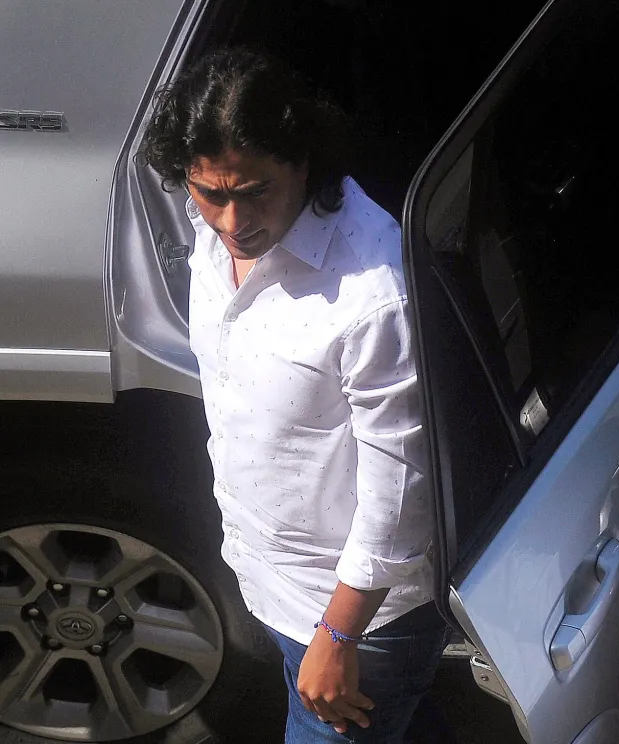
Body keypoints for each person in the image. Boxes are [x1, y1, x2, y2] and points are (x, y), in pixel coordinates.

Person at [137, 48, 447, 743]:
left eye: (254, 192)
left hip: (357, 621)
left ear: (304, 165)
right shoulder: (210, 230)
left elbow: (402, 499)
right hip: (268, 578)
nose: (230, 220)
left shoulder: (371, 296)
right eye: (208, 192)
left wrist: (336, 637)